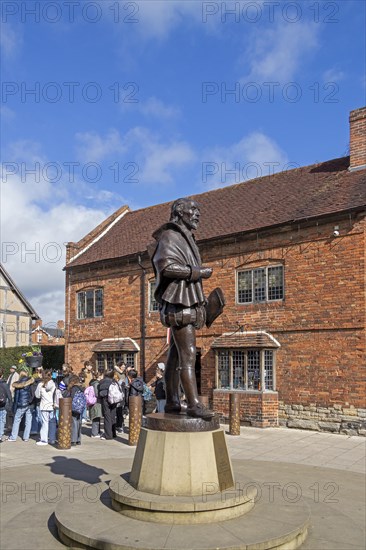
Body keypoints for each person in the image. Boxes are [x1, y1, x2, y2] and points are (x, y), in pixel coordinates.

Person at [150, 198, 214, 418]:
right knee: (188, 356)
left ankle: (172, 403)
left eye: (199, 210)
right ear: (179, 212)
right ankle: (194, 404)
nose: (197, 214)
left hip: (186, 301)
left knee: (175, 357)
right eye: (193, 210)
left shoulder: (186, 237)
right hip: (179, 304)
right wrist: (197, 272)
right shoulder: (171, 235)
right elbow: (165, 266)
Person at [7, 367, 34, 442]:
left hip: (21, 404)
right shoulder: (30, 382)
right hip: (29, 404)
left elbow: (17, 396)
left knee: (17, 419)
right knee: (28, 420)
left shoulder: (18, 384)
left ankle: (13, 437)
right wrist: (30, 401)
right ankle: (26, 437)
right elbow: (32, 393)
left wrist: (15, 406)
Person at [35, 369, 57, 445]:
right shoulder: (53, 384)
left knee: (45, 423)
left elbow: (37, 395)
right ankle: (52, 439)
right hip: (52, 405)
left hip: (44, 405)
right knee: (52, 423)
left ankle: (44, 440)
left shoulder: (40, 384)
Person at [63, 375, 84, 446]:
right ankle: (78, 439)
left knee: (74, 422)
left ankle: (73, 440)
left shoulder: (74, 388)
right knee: (79, 422)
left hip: (74, 407)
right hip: (80, 407)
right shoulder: (81, 388)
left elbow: (71, 397)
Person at [98, 370, 117, 440]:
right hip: (114, 399)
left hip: (106, 399)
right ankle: (113, 433)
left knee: (107, 416)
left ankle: (108, 435)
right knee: (113, 416)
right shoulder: (114, 381)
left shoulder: (102, 382)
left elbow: (100, 391)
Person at [88, 371, 103, 438]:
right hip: (96, 402)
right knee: (96, 417)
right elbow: (97, 394)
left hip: (94, 402)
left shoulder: (93, 383)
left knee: (97, 416)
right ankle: (94, 433)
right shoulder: (96, 384)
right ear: (99, 376)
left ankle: (97, 432)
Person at [0, 369, 12, 442]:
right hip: (2, 405)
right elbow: (9, 395)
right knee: (2, 421)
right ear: (2, 375)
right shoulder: (4, 384)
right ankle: (0, 435)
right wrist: (10, 405)